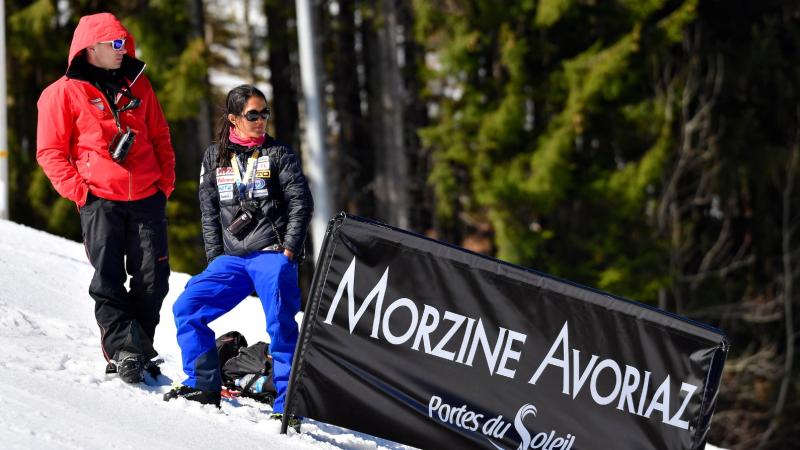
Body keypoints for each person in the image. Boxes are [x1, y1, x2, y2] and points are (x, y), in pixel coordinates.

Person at [36, 13, 175, 384]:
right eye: (114, 44)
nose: (123, 50)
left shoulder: (139, 86)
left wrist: (165, 184)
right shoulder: (61, 93)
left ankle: (139, 347)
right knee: (108, 280)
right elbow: (50, 152)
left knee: (154, 279)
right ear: (89, 48)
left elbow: (160, 135)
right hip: (100, 201)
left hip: (147, 196)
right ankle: (125, 351)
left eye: (124, 43)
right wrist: (81, 193)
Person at [164, 85, 312, 416]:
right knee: (187, 307)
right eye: (253, 115)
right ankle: (202, 384)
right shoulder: (214, 157)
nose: (261, 121)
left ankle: (288, 403)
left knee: (281, 324)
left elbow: (301, 203)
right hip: (231, 260)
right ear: (233, 118)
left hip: (271, 254)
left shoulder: (279, 154)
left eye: (265, 114)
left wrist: (288, 251)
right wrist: (217, 258)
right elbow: (209, 211)